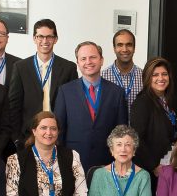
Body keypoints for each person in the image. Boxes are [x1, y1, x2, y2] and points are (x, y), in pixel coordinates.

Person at [54, 41, 128, 169]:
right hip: (73, 162)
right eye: (83, 58)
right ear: (78, 63)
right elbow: (59, 131)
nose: (88, 62)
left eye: (93, 57)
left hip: (107, 162)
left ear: (101, 60)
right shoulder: (65, 91)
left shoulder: (117, 93)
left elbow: (121, 132)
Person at [5, 18, 78, 148]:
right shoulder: (21, 67)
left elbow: (72, 107)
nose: (45, 41)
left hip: (57, 136)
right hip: (29, 137)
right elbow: (14, 105)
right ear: (34, 38)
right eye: (40, 36)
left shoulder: (68, 68)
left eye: (49, 36)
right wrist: (17, 138)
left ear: (55, 39)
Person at [130, 57, 177, 176]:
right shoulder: (141, 103)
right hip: (151, 171)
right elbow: (136, 138)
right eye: (155, 75)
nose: (161, 78)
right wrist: (153, 166)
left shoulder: (171, 101)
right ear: (147, 78)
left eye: (164, 74)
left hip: (171, 165)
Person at [101, 29, 144, 110]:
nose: (125, 49)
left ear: (134, 48)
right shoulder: (102, 77)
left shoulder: (144, 76)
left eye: (129, 45)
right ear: (114, 48)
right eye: (120, 45)